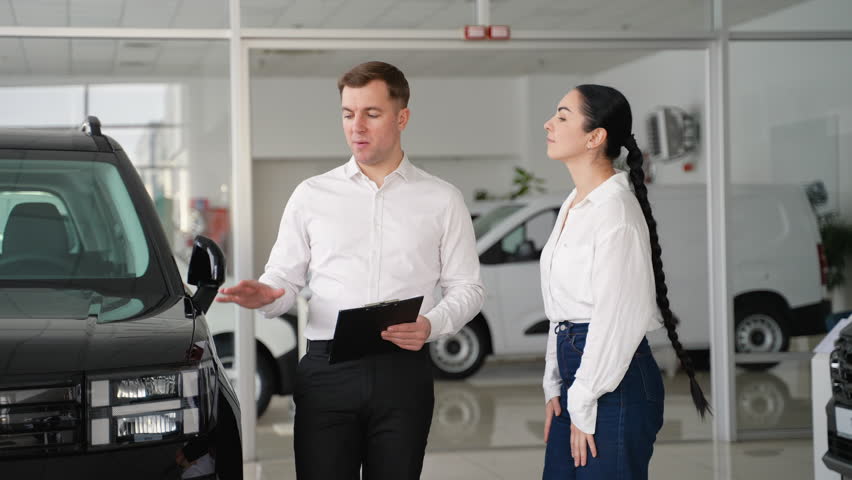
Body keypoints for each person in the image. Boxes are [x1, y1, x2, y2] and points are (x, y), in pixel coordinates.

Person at [216, 61, 484, 480]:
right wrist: (269, 293)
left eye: (371, 114)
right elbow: (284, 277)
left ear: (402, 117)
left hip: (404, 370)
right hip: (327, 370)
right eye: (347, 113)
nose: (356, 126)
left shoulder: (442, 199)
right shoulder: (311, 195)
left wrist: (432, 324)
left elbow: (468, 287)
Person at [539, 84, 711, 479]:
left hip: (612, 381)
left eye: (563, 116)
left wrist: (582, 399)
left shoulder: (614, 211)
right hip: (580, 377)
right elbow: (561, 304)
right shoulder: (575, 202)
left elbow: (618, 320)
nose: (549, 123)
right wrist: (554, 383)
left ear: (595, 137)